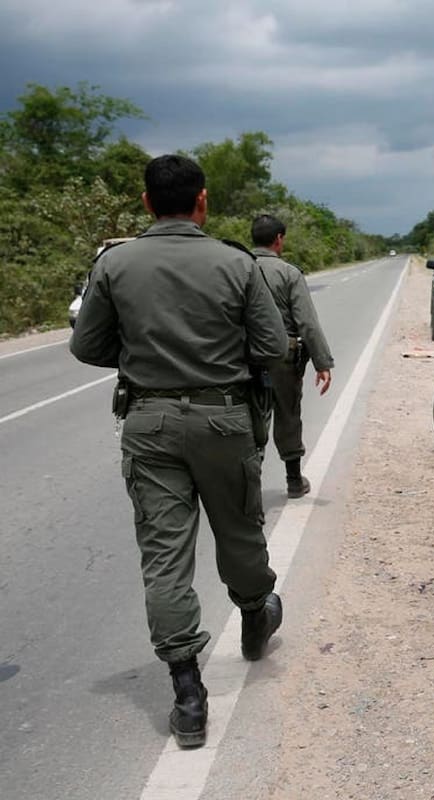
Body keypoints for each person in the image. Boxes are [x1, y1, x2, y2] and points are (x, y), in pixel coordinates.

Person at [70, 154, 288, 748]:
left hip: (148, 421)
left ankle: (188, 696)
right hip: (223, 418)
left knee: (165, 556)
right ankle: (252, 616)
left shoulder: (114, 264)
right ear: (202, 202)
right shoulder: (235, 263)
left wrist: (144, 353)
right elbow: (271, 347)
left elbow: (87, 347)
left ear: (145, 204)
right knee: (239, 530)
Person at [249, 214, 335, 498]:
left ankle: (248, 485)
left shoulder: (237, 267)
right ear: (279, 239)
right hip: (283, 357)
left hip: (245, 356)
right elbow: (307, 323)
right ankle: (294, 480)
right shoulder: (288, 273)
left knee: (249, 418)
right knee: (288, 415)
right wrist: (322, 363)